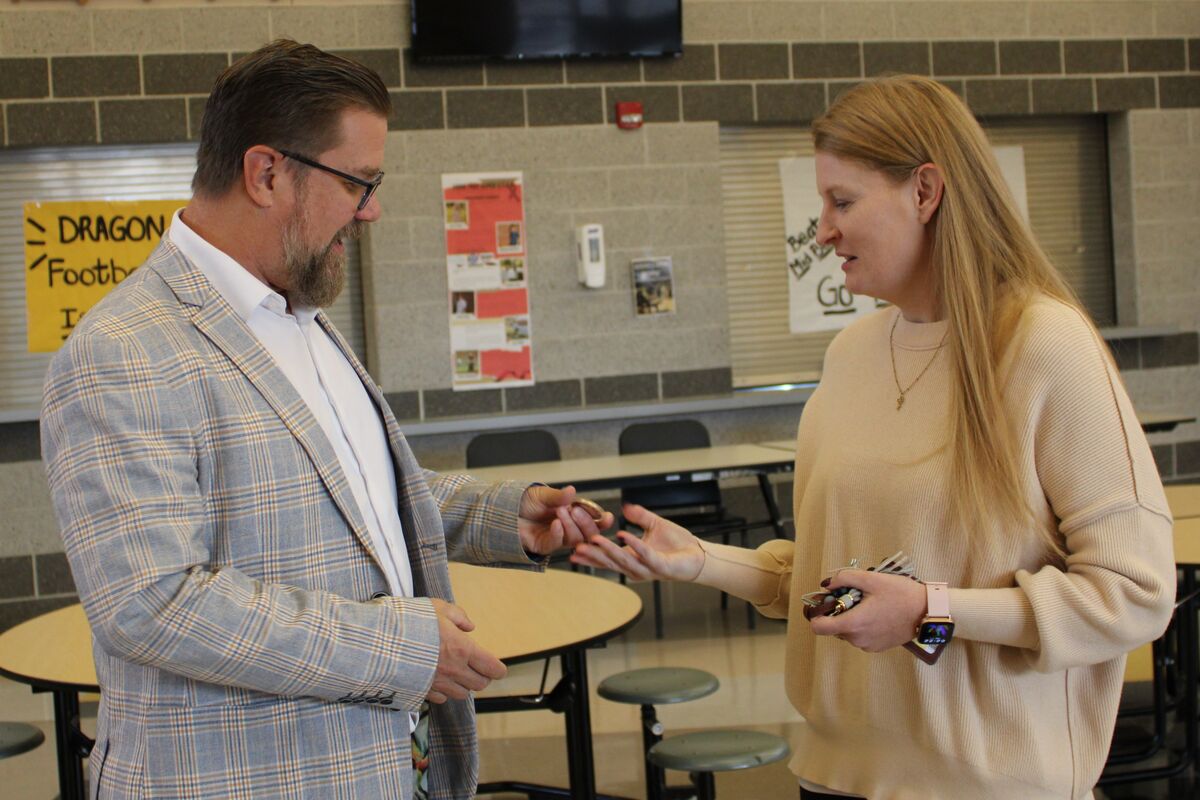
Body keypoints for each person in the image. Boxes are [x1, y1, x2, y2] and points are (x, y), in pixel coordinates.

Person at [572, 75, 1176, 799]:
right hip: (834, 777)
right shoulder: (850, 355)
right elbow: (836, 582)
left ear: (925, 192)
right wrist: (699, 562)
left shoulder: (1043, 344)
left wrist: (932, 611)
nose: (823, 230)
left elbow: (1135, 594)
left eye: (842, 202)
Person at [40, 40, 609, 800]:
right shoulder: (124, 350)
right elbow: (153, 603)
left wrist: (504, 517)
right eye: (358, 182)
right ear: (267, 173)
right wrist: (400, 647)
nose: (371, 209)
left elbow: (348, 501)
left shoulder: (298, 314)